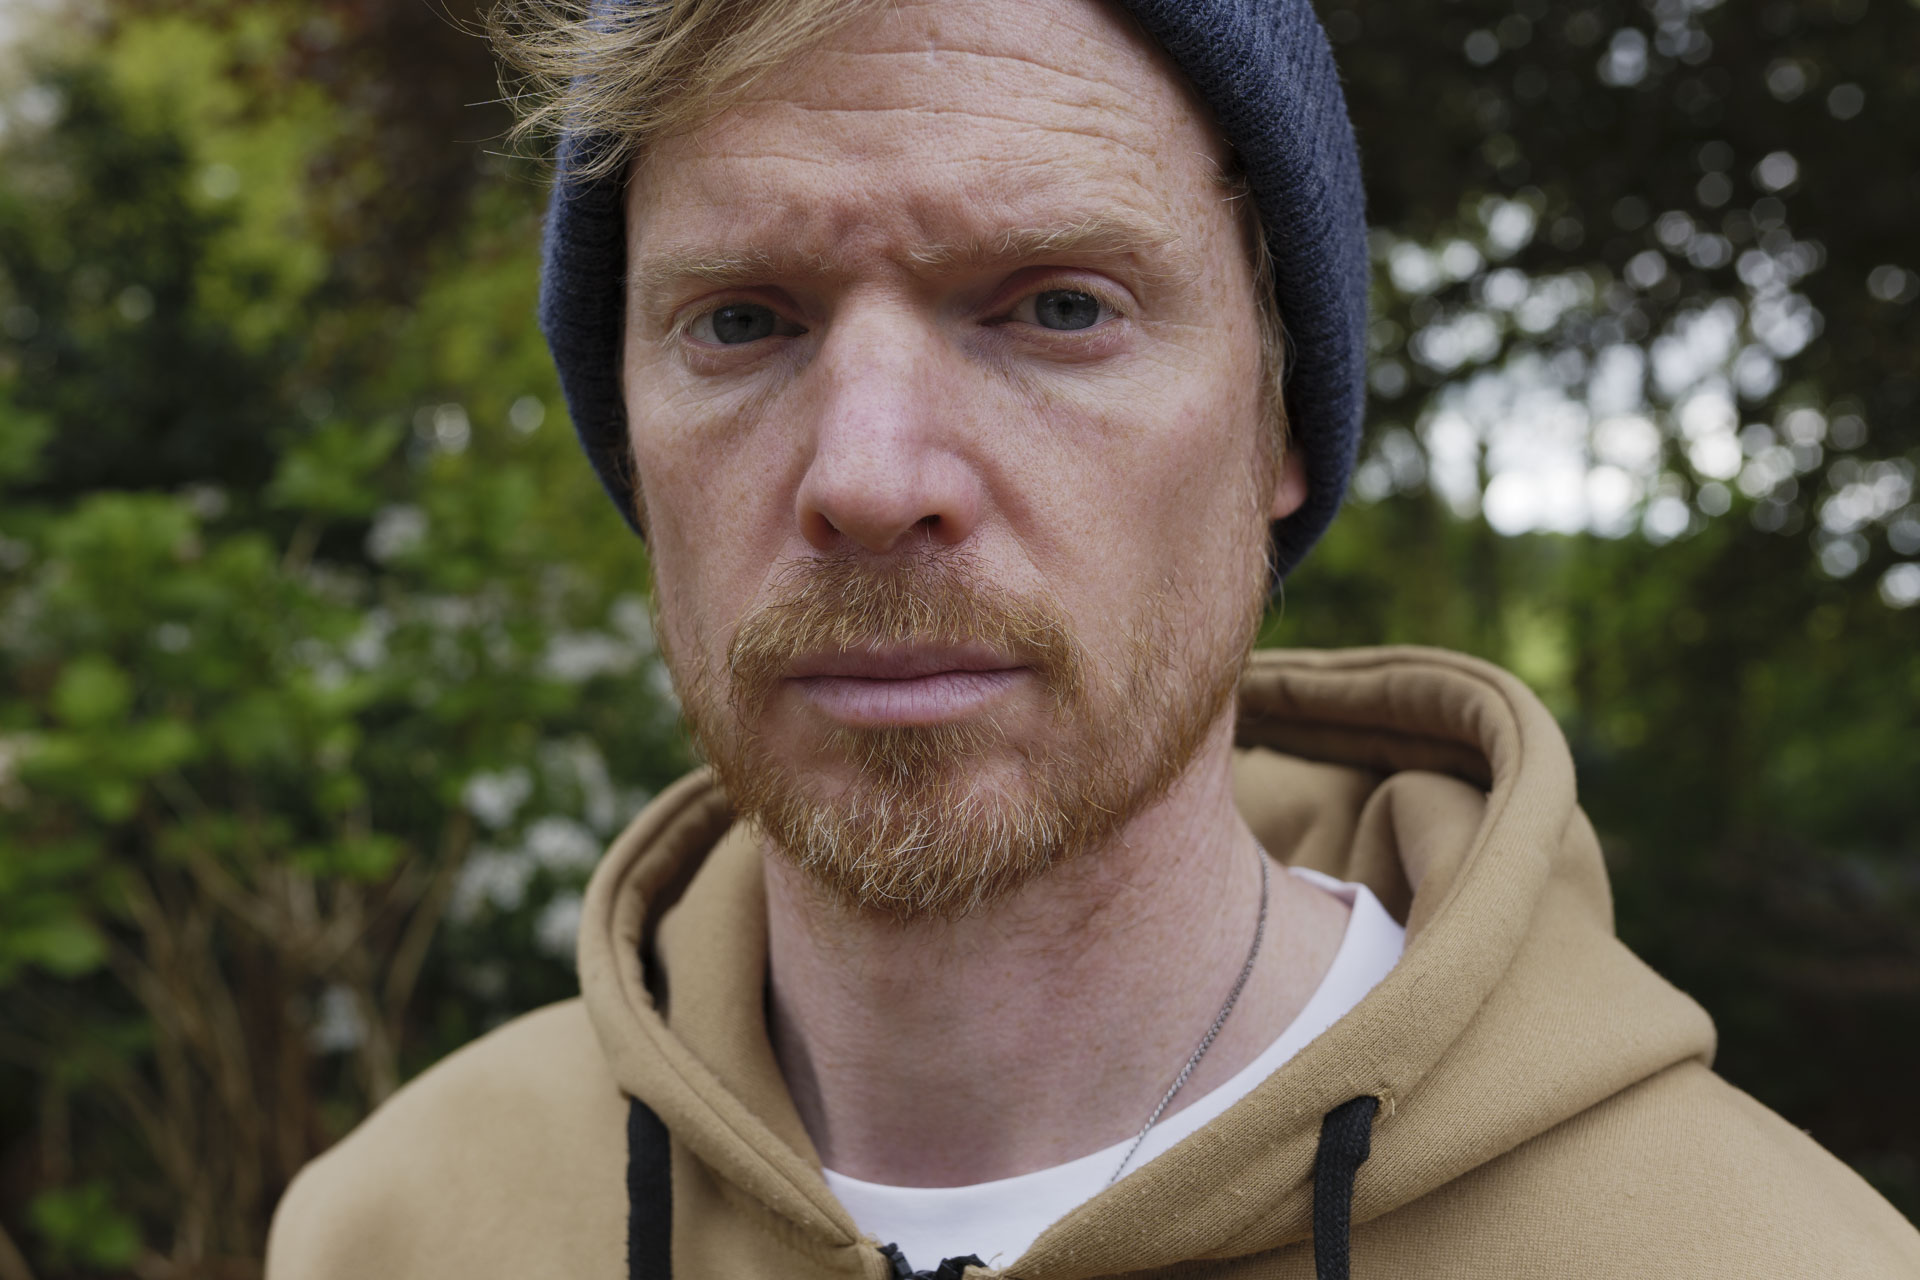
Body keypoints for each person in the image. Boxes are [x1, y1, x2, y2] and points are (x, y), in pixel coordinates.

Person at [264, 0, 1920, 1276]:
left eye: (1057, 305)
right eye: (744, 321)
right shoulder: (398, 1227)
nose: (866, 477)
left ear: (1281, 420)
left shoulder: (1752, 1248)